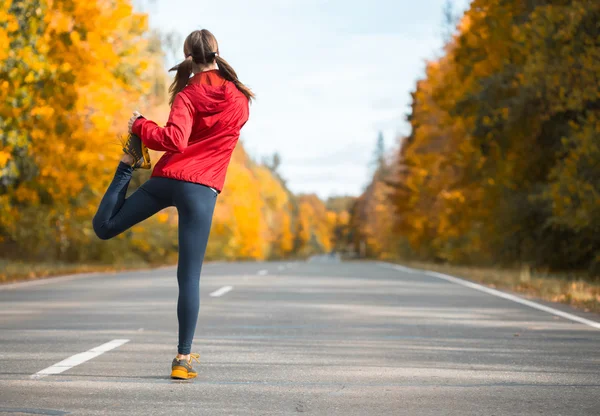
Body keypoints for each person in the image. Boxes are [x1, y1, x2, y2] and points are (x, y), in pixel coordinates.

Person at [92, 29, 253, 380]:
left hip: (169, 179)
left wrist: (141, 126)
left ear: (188, 55)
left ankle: (125, 166)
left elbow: (174, 139)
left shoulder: (188, 93)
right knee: (189, 276)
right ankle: (182, 359)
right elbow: (213, 134)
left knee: (104, 228)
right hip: (202, 189)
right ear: (217, 51)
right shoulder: (240, 98)